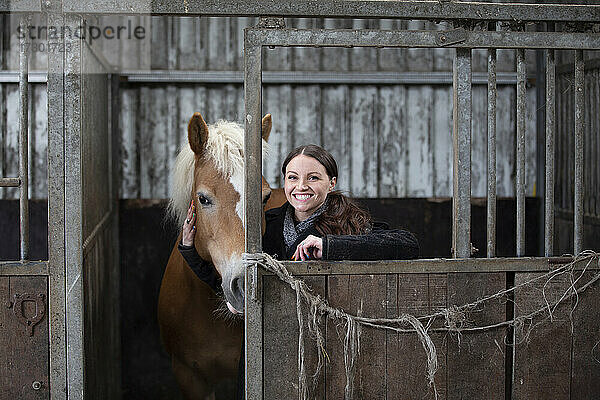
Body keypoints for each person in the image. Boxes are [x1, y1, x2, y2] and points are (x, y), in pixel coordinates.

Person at [178, 144, 419, 292]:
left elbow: (407, 245)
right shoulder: (268, 225)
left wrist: (329, 246)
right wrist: (189, 249)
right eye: (293, 177)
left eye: (313, 178)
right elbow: (239, 284)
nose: (301, 186)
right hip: (274, 344)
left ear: (331, 183)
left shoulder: (348, 221)